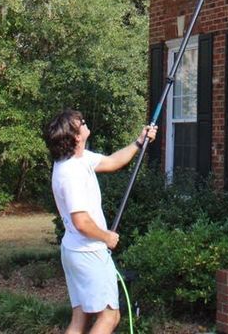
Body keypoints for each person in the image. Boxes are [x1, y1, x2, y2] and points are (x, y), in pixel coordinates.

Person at [44, 109, 158, 334]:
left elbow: (112, 162)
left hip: (74, 250)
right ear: (76, 136)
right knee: (109, 316)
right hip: (88, 253)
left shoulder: (76, 159)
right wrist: (107, 236)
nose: (85, 123)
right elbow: (81, 222)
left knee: (80, 318)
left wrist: (138, 142)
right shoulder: (71, 173)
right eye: (81, 122)